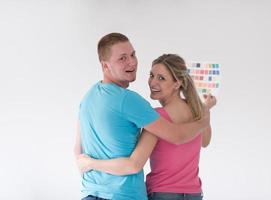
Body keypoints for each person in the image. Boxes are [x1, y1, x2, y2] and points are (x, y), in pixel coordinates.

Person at [74, 33, 215, 200]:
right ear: (105, 66)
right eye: (151, 75)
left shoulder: (156, 116)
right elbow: (204, 141)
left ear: (177, 83)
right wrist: (205, 113)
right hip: (193, 194)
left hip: (160, 193)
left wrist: (89, 163)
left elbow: (135, 162)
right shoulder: (195, 113)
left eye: (161, 78)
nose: (153, 82)